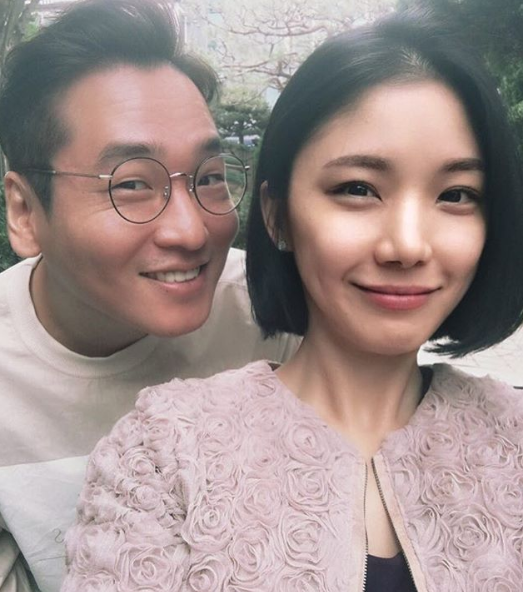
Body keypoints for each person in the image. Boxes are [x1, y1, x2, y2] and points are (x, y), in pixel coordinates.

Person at [63, 8, 523, 592]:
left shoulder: (512, 436)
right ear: (277, 216)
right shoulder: (165, 455)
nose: (408, 245)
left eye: (455, 195)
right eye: (358, 189)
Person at [0, 0, 298, 590]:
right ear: (25, 212)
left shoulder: (273, 317)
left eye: (209, 178)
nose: (191, 232)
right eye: (132, 184)